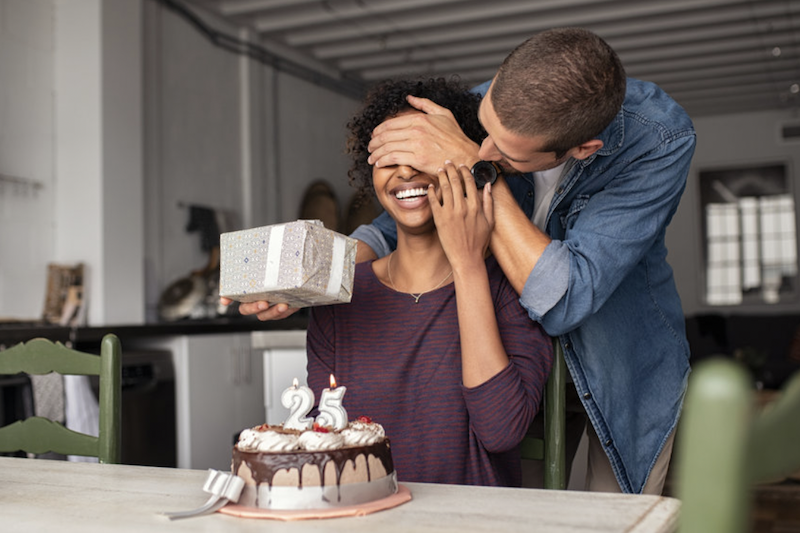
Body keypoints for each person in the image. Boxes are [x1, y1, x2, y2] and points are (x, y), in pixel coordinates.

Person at [355, 28, 697, 495]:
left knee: (618, 518)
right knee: (520, 511)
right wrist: (304, 278)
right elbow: (400, 214)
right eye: (483, 129)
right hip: (515, 359)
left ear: (582, 149)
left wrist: (474, 168)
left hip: (622, 365)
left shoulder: (659, 140)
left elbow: (564, 301)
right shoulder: (476, 106)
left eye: (507, 156)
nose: (485, 150)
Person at [306, 77, 553, 486]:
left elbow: (501, 431)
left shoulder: (513, 290)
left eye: (421, 155)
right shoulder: (340, 299)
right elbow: (324, 445)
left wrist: (469, 263)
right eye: (389, 158)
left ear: (465, 164)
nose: (404, 171)